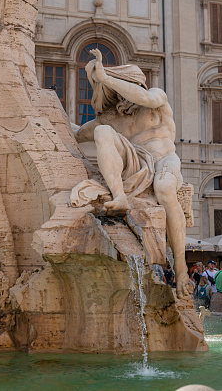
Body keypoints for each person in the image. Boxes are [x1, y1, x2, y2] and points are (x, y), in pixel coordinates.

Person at [71, 49, 191, 298]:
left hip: (164, 160)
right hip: (137, 162)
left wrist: (105, 77)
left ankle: (181, 270)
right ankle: (120, 197)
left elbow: (144, 98)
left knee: (165, 189)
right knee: (102, 132)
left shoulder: (155, 96)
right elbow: (76, 133)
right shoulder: (111, 119)